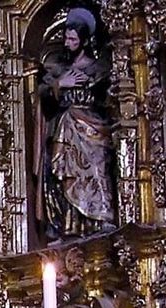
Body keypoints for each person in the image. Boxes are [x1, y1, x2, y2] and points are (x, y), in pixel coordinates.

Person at [38, 8, 115, 238]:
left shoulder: (98, 68)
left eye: (72, 39)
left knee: (98, 168)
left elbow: (110, 97)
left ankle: (100, 218)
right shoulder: (59, 70)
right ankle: (70, 223)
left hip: (94, 129)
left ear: (83, 41)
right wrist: (60, 84)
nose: (67, 42)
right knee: (65, 171)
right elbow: (42, 94)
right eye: (66, 38)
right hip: (67, 127)